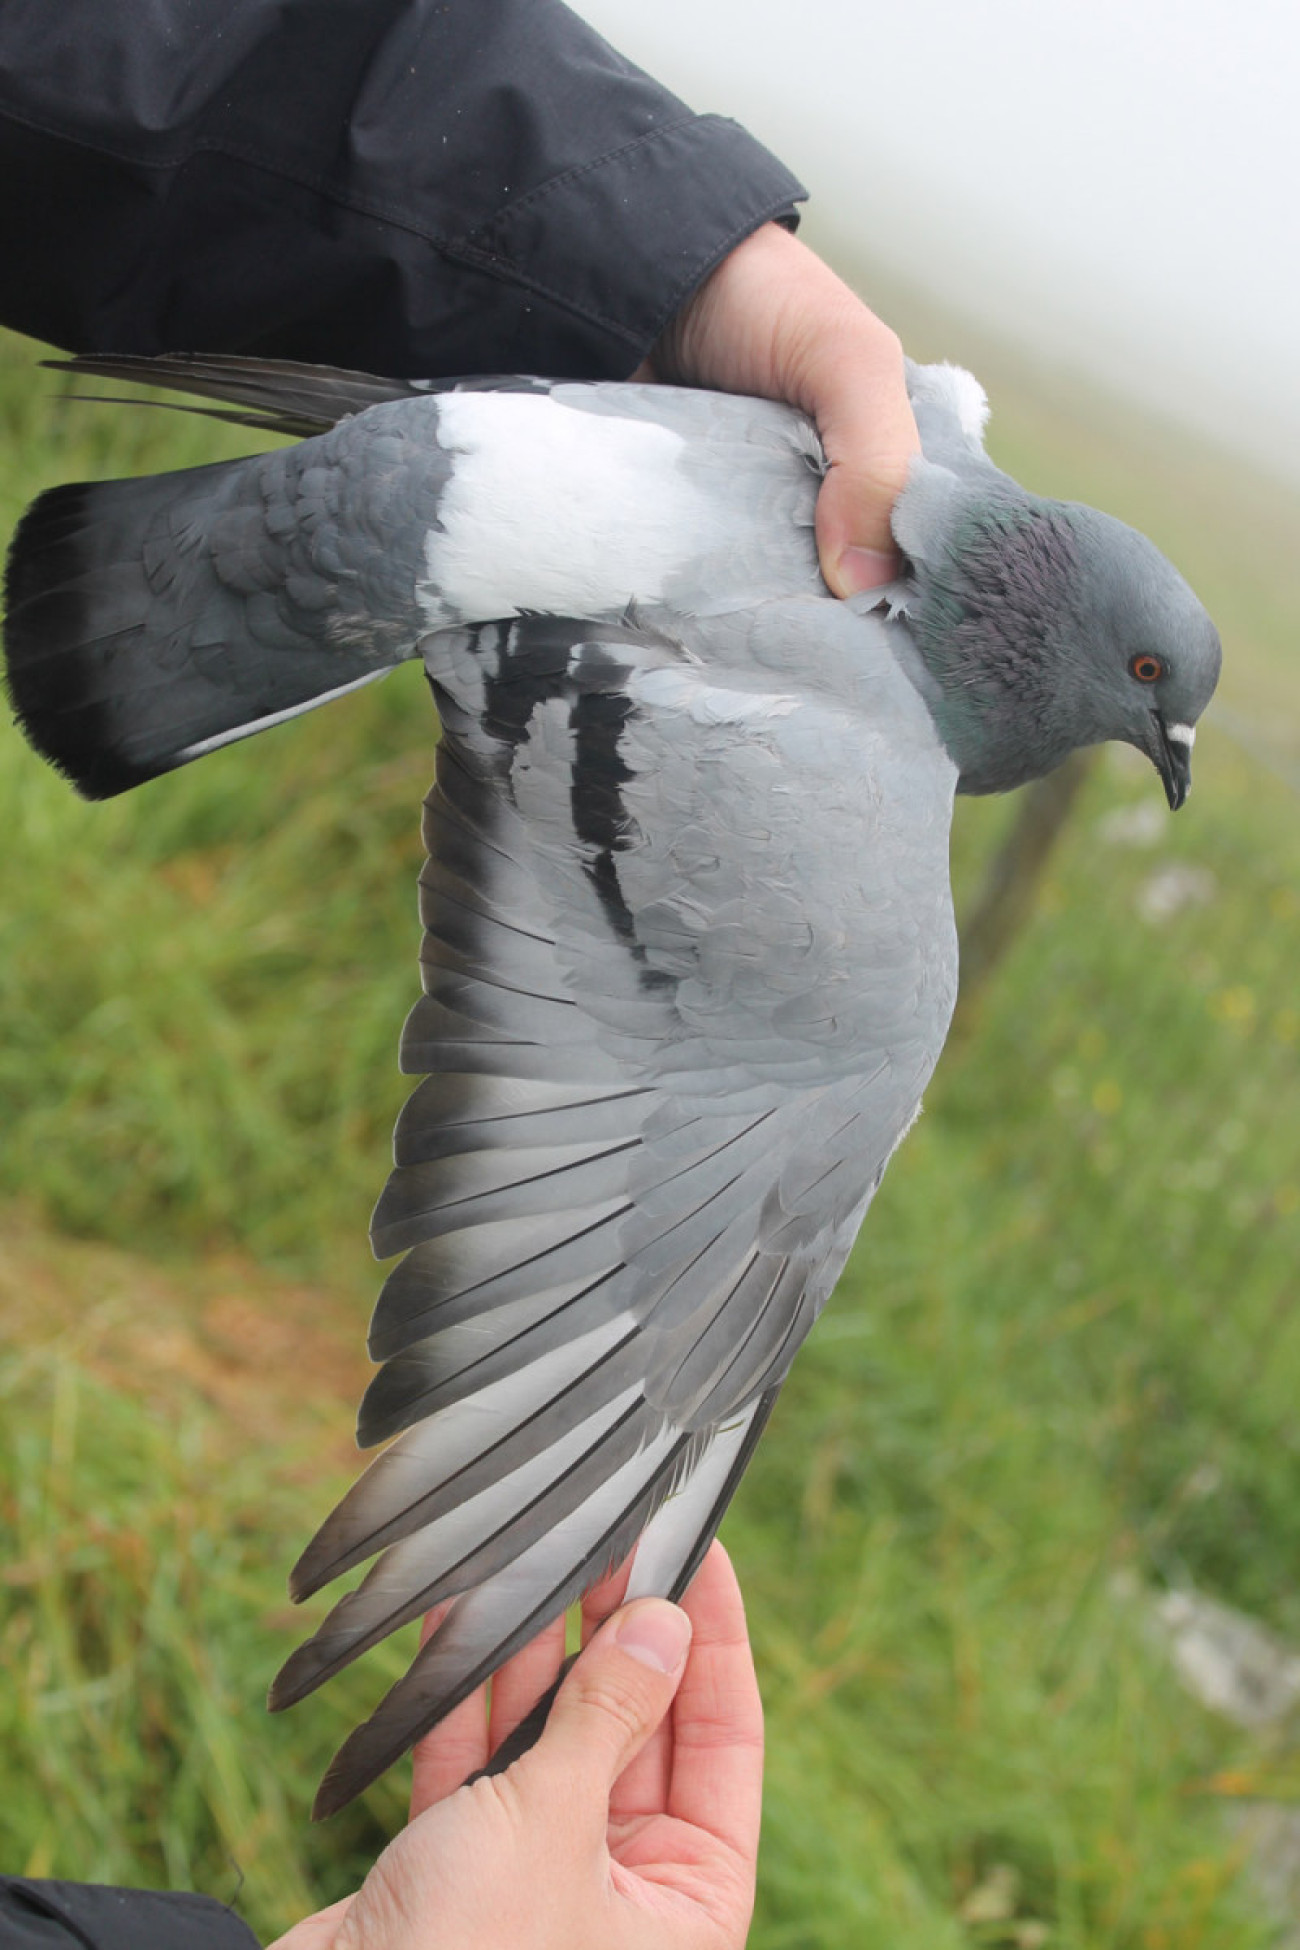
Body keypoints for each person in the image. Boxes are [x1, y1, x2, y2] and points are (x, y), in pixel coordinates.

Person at [0, 2, 919, 1942]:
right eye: (1149, 710)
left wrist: (665, 257)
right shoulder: (874, 859)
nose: (1149, 746)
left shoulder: (914, 459)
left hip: (480, 454)